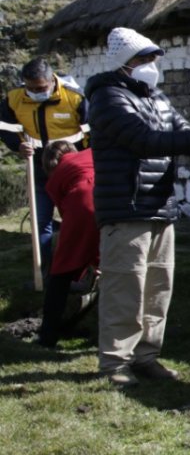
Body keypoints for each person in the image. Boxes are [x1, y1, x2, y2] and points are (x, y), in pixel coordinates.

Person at [86, 27, 190, 387]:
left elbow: (183, 134)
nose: (152, 66)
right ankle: (115, 362)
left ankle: (146, 356)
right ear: (125, 63)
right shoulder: (108, 98)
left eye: (154, 59)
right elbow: (142, 140)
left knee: (157, 288)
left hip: (159, 207)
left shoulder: (158, 99)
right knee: (126, 287)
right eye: (144, 59)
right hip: (126, 208)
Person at [1, 58, 89, 274]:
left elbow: (92, 134)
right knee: (41, 223)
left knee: (75, 221)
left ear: (52, 81)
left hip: (72, 170)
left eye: (40, 88)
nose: (34, 92)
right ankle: (45, 273)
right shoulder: (14, 99)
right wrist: (18, 145)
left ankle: (80, 272)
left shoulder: (75, 97)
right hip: (39, 168)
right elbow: (5, 127)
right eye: (30, 88)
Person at [36, 140, 100, 348]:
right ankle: (110, 336)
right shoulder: (91, 153)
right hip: (112, 203)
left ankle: (48, 337)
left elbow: (68, 217)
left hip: (81, 206)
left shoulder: (54, 180)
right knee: (114, 271)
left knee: (60, 274)